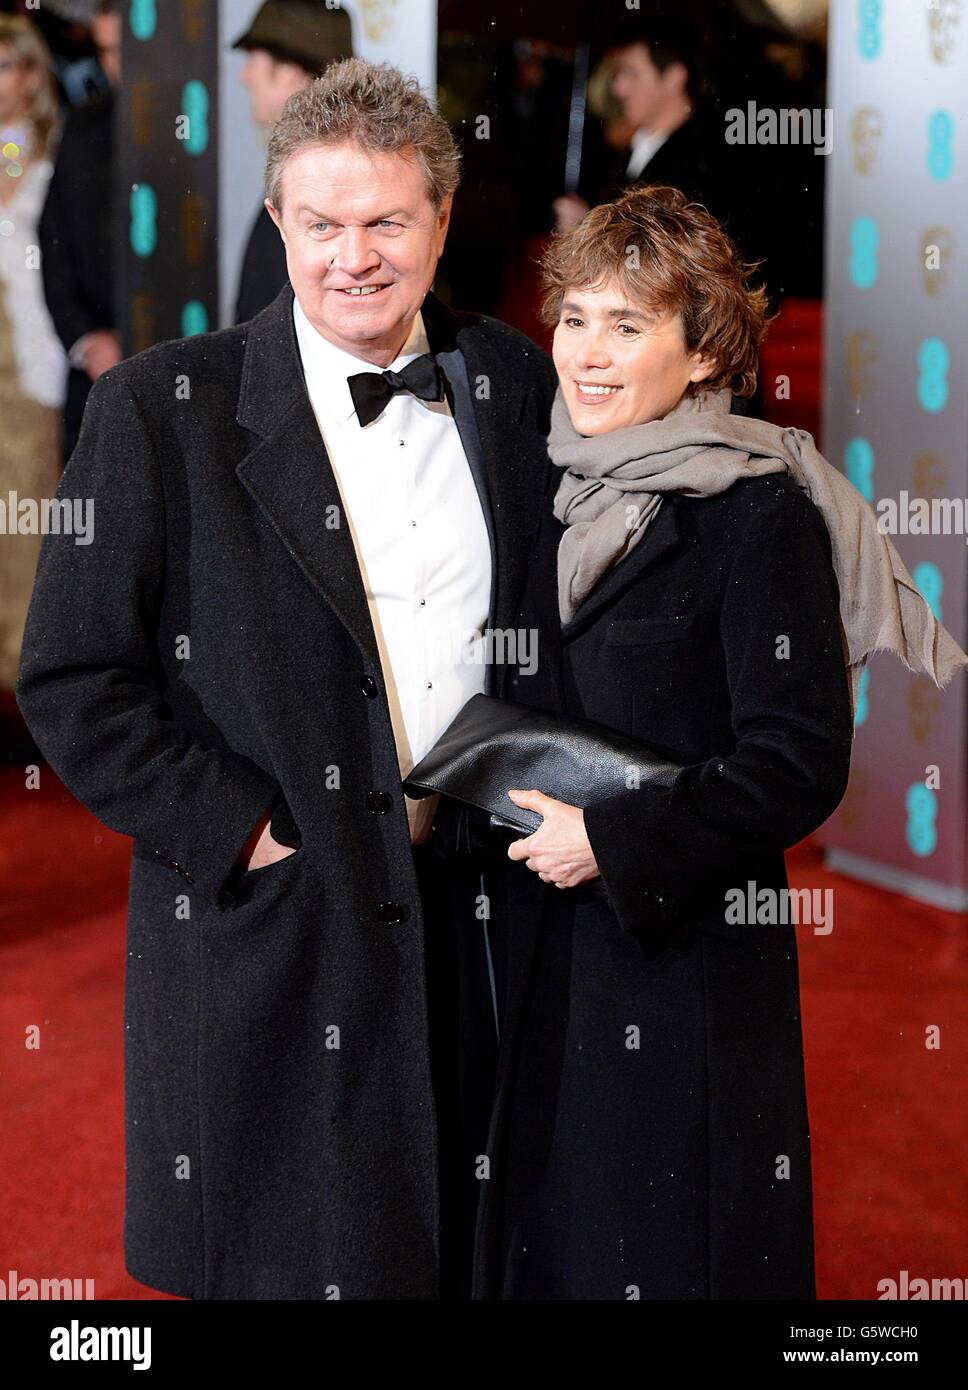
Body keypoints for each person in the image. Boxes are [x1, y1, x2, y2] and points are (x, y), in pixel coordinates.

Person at [16, 57, 556, 1301]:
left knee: (481, 1246)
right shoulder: (161, 409)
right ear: (277, 222)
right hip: (280, 916)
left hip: (484, 907)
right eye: (321, 223)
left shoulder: (509, 379)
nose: (353, 255)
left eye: (384, 221)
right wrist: (245, 829)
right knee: (291, 1257)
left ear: (440, 215)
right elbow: (74, 676)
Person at [473, 185, 968, 1300]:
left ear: (702, 355)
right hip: (532, 956)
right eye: (575, 318)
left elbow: (796, 759)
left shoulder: (760, 514)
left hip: (674, 961)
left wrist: (616, 838)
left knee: (658, 1250)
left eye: (627, 325)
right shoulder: (541, 486)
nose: (586, 356)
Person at [0, 14, 68, 700]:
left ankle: (32, 678)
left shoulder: (55, 148)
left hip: (33, 350)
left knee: (29, 509)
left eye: (3, 68)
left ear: (30, 74)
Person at [232, 0, 354, 324]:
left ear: (287, 71)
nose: (244, 77)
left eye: (252, 60)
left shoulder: (325, 188)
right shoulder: (310, 176)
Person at [37, 0, 120, 467]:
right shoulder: (84, 126)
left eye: (123, 48)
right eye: (104, 50)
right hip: (92, 384)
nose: (113, 65)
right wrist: (86, 338)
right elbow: (53, 240)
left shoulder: (200, 126)